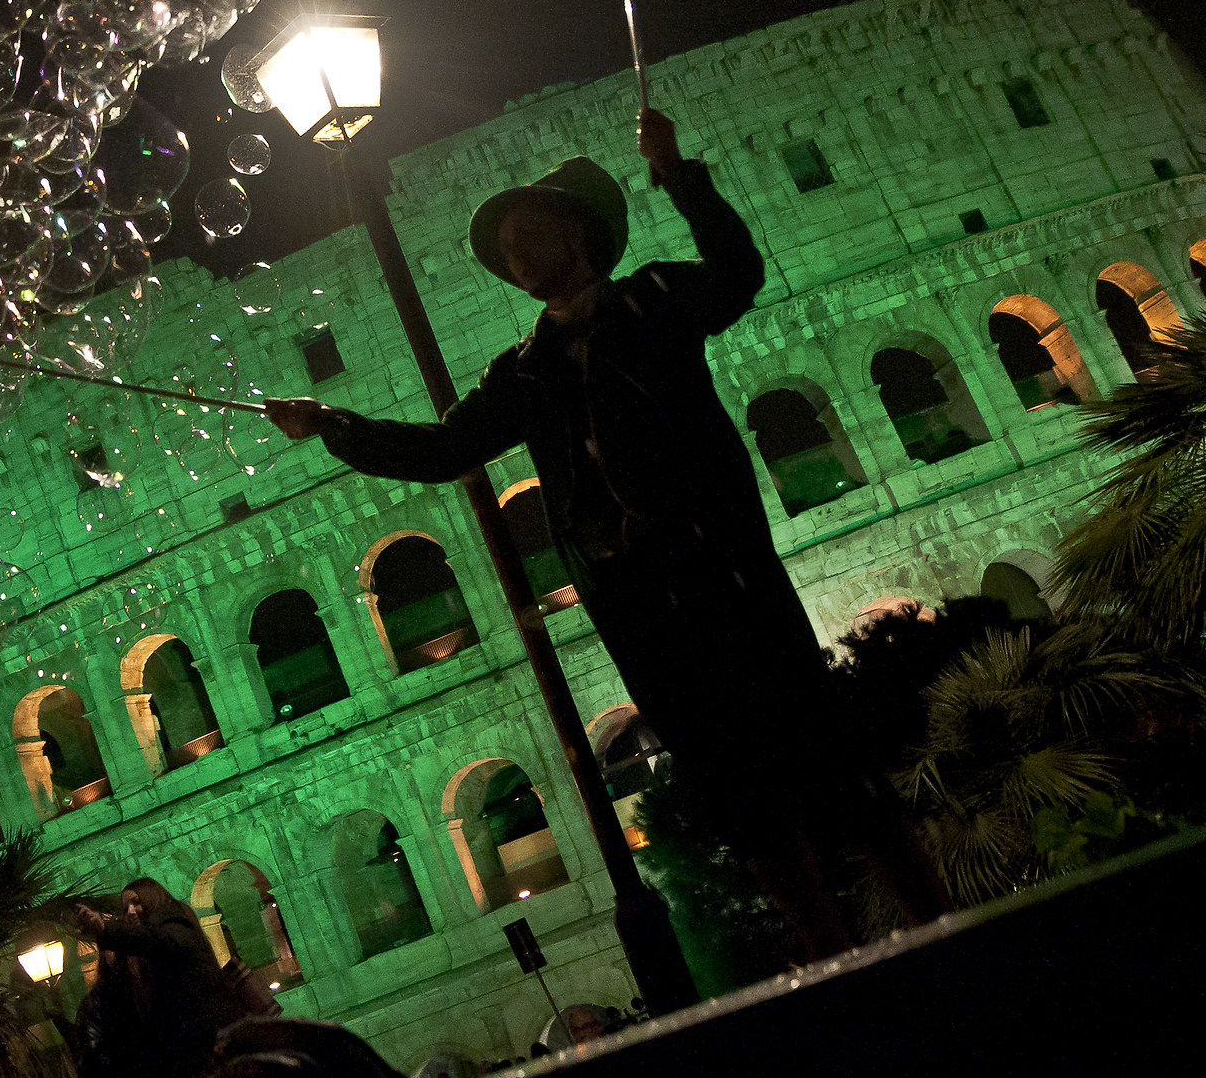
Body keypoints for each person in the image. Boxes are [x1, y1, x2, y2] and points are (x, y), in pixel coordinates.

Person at [264, 109, 947, 959]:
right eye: (506, 249)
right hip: (637, 606)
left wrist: (681, 175)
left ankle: (943, 927)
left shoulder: (655, 298)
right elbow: (444, 449)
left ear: (575, 231)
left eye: (525, 235)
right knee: (738, 798)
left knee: (827, 760)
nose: (515, 257)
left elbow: (736, 272)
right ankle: (834, 960)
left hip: (721, 568)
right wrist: (330, 423)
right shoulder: (523, 370)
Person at [71, 877, 263, 1078]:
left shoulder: (174, 922)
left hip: (209, 1045)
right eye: (125, 907)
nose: (130, 911)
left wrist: (105, 930)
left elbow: (159, 942)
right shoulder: (140, 961)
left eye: (136, 902)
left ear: (152, 898)